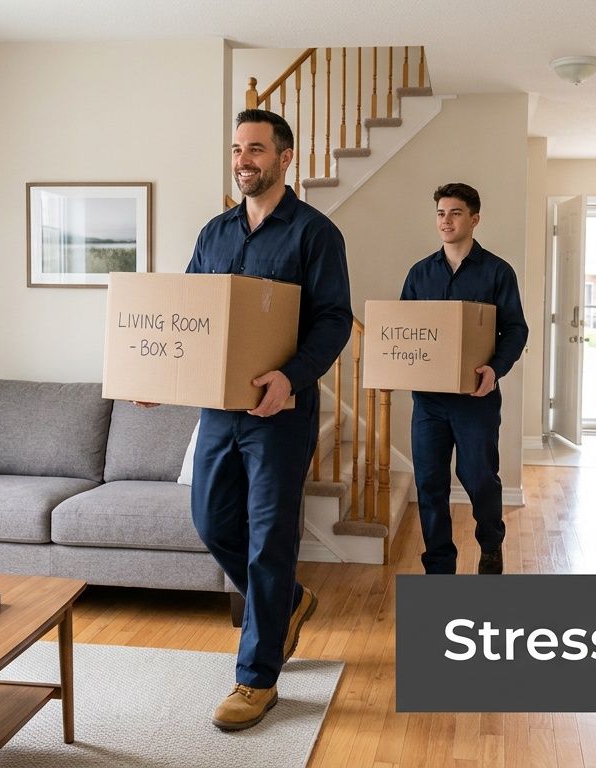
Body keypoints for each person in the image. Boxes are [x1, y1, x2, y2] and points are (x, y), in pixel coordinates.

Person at [186, 108, 353, 730]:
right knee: (209, 520)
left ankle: (256, 680)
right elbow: (194, 310)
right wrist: (163, 375)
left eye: (255, 149)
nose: (242, 160)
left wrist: (291, 377)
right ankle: (288, 603)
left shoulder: (315, 233)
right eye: (236, 148)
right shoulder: (215, 232)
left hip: (278, 411)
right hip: (219, 408)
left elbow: (334, 319)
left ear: (286, 158)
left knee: (269, 537)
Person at [400, 182, 527, 575]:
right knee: (430, 485)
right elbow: (405, 330)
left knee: (479, 478)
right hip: (429, 403)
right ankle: (439, 566)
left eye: (455, 213)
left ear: (474, 219)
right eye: (441, 213)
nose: (446, 221)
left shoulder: (497, 272)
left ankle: (491, 544)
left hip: (477, 398)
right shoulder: (420, 274)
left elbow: (515, 329)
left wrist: (495, 368)